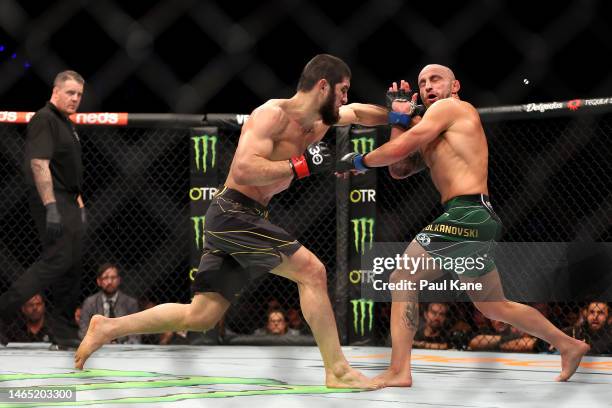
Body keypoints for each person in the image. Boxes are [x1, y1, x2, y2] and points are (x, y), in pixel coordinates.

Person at [76, 54, 391, 388]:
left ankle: (107, 327)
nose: (343, 98)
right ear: (323, 86)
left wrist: (402, 115)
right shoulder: (272, 115)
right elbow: (244, 169)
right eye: (342, 90)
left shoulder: (320, 120)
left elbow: (357, 112)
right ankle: (338, 370)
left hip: (246, 216)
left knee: (201, 316)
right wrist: (299, 166)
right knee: (312, 271)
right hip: (233, 212)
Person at [339, 64, 590, 385]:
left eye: (436, 79)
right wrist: (399, 119)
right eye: (422, 82)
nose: (429, 86)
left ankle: (399, 370)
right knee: (493, 305)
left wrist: (360, 159)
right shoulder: (433, 126)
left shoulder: (452, 108)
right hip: (476, 217)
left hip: (466, 213)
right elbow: (399, 168)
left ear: (454, 86)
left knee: (403, 276)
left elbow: (400, 148)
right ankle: (569, 345)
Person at [0, 70, 86, 348]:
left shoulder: (66, 123)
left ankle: (64, 331)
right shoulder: (45, 119)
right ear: (56, 91)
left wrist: (79, 205)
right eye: (70, 93)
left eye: (79, 95)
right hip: (53, 201)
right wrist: (51, 206)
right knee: (55, 262)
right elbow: (39, 163)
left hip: (69, 201)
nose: (75, 99)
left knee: (71, 265)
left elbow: (69, 172)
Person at [79, 263, 140, 344]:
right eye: (105, 278)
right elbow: (83, 331)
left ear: (119, 280)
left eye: (113, 277)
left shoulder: (130, 303)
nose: (110, 281)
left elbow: (136, 333)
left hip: (124, 349)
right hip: (97, 348)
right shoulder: (90, 303)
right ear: (99, 281)